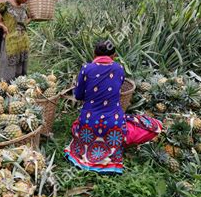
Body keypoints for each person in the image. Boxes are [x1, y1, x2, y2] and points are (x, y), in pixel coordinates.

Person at [64, 40, 163, 174]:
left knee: (77, 126)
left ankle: (87, 150)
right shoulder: (119, 68)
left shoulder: (86, 69)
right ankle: (113, 148)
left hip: (88, 123)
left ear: (94, 53)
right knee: (150, 126)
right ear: (114, 55)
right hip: (113, 124)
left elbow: (78, 95)